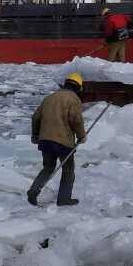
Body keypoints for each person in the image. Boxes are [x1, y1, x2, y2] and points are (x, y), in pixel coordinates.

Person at [27, 72, 86, 207]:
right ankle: (64, 199)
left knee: (48, 167)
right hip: (63, 141)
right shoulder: (74, 99)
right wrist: (81, 136)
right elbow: (76, 120)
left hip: (45, 140)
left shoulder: (49, 97)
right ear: (78, 87)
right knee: (68, 170)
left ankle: (33, 190)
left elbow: (36, 117)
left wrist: (36, 136)